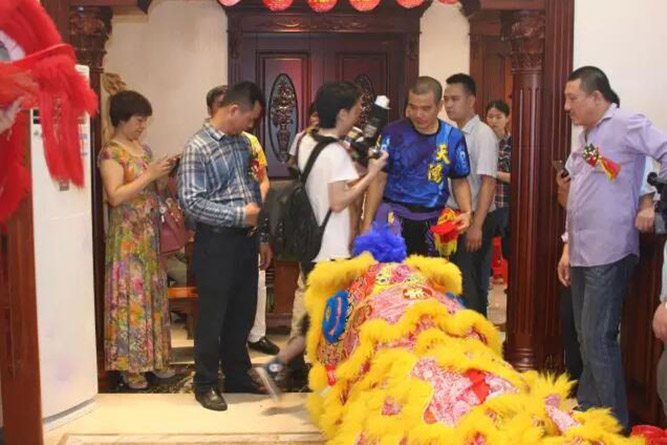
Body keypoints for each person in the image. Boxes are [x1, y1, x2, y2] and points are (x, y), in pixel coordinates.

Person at [258, 81, 388, 396]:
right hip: (329, 248)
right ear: (342, 113)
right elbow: (339, 202)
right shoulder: (335, 153)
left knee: (319, 314)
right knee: (329, 318)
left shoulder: (306, 139)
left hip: (309, 243)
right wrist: (372, 173)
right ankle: (304, 374)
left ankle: (282, 368)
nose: (359, 115)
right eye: (356, 109)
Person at [556, 66, 667, 430]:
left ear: (597, 97)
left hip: (610, 249)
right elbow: (583, 192)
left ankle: (615, 425)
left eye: (572, 98)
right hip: (582, 250)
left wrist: (655, 205)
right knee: (584, 336)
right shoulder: (587, 136)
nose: (567, 106)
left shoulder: (626, 123)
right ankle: (590, 409)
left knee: (598, 337)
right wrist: (567, 247)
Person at [179, 81, 272, 411]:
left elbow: (252, 190)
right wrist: (239, 215)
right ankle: (205, 383)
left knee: (241, 313)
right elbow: (191, 203)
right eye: (250, 118)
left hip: (246, 241)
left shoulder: (242, 143)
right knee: (213, 317)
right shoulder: (198, 147)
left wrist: (261, 236)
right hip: (216, 243)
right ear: (233, 110)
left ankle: (237, 375)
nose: (251, 125)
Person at [98, 90, 177, 390]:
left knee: (152, 297)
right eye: (138, 120)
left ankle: (155, 359)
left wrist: (162, 175)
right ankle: (131, 367)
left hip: (149, 235)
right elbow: (115, 196)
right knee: (130, 299)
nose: (142, 126)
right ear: (121, 119)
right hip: (127, 239)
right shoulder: (111, 153)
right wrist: (149, 176)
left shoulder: (143, 149)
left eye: (145, 121)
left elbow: (153, 189)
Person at [361, 76, 473, 256]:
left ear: (439, 106)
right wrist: (367, 223)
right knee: (391, 272)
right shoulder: (392, 133)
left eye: (426, 108)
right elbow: (379, 179)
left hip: (433, 222)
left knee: (430, 273)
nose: (418, 114)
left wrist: (467, 212)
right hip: (393, 219)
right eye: (413, 107)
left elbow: (459, 180)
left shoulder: (453, 138)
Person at [205, 85, 279, 356]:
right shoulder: (203, 144)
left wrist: (257, 203)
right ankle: (218, 351)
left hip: (249, 225)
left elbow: (262, 179)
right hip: (218, 232)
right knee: (219, 295)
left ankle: (254, 336)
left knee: (254, 285)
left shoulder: (250, 143)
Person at [444, 73, 498, 317]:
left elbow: (488, 182)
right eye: (446, 99)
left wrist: (477, 225)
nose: (448, 105)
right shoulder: (451, 133)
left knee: (470, 281)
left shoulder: (482, 134)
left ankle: (476, 333)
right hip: (455, 217)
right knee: (454, 280)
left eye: (455, 99)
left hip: (477, 217)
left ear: (471, 101)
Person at [486, 99, 511, 260]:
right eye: (490, 117)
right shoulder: (483, 141)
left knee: (508, 246)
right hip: (484, 203)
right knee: (483, 247)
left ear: (507, 118)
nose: (493, 121)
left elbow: (518, 177)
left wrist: (492, 173)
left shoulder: (514, 144)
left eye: (498, 117)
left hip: (504, 203)